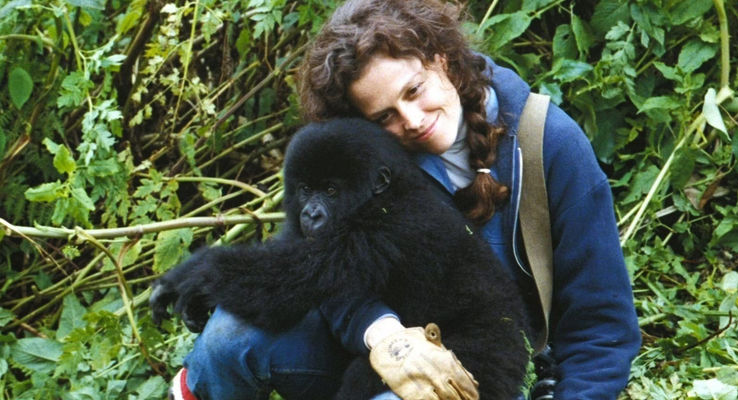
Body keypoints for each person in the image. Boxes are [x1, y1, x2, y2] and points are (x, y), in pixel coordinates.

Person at [165, 0, 641, 399]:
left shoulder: (548, 143)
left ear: (443, 60)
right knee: (233, 332)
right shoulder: (369, 162)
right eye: (385, 115)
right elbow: (319, 270)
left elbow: (602, 327)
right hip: (368, 349)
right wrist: (385, 336)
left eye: (414, 90)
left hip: (477, 367)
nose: (411, 120)